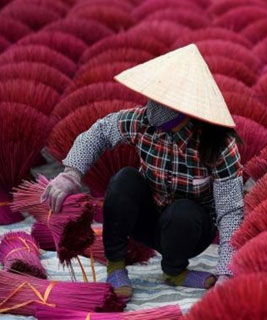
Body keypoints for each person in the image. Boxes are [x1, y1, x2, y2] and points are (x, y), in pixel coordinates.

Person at [40, 44, 245, 301]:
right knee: (124, 180)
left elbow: (231, 213)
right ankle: (116, 265)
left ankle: (174, 270)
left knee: (183, 212)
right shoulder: (141, 122)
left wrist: (227, 272)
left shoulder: (219, 146)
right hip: (146, 220)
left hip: (188, 231)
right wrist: (71, 174)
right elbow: (99, 133)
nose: (153, 107)